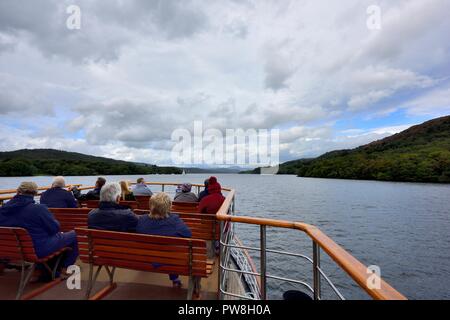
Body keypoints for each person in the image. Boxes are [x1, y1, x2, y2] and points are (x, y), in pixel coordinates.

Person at [0, 182, 78, 278]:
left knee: (39, 236)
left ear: (17, 191)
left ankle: (39, 270)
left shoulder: (2, 209)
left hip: (7, 250)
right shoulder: (39, 209)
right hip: (37, 250)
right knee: (75, 235)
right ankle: (65, 267)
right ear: (35, 193)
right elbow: (55, 228)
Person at [136, 192, 191, 287]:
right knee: (173, 248)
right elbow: (188, 235)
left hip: (143, 259)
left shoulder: (141, 220)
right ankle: (175, 278)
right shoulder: (174, 221)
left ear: (150, 205)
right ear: (169, 206)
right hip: (168, 259)